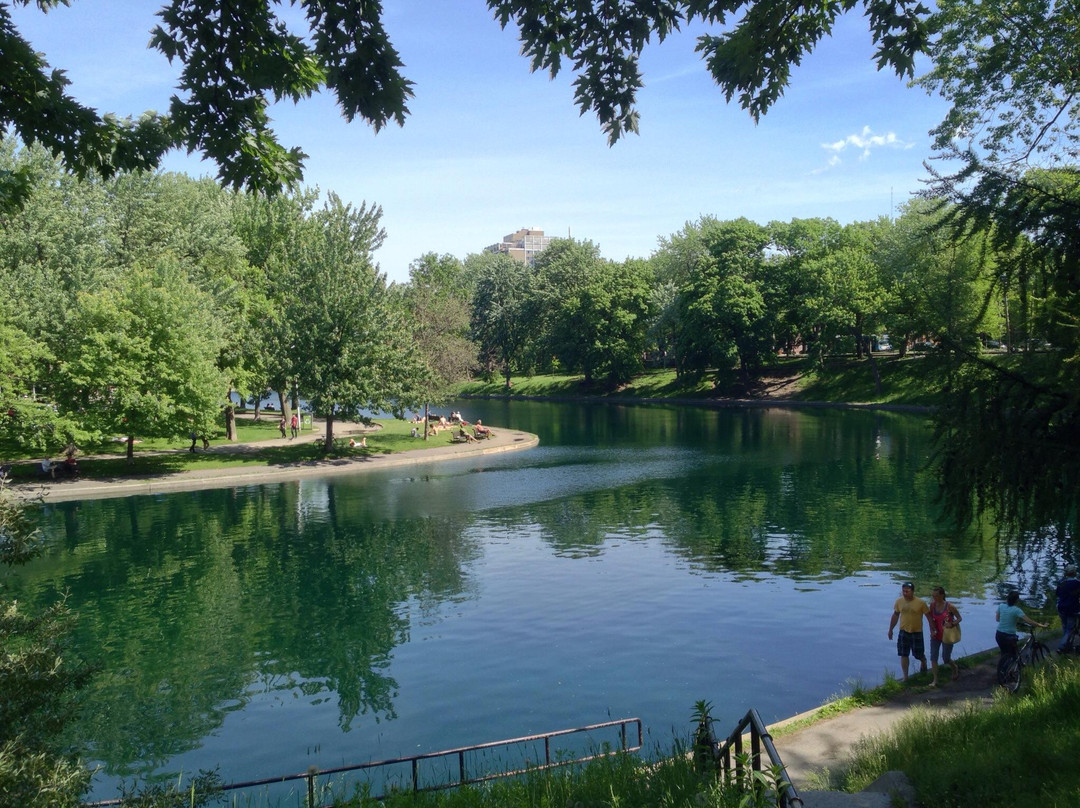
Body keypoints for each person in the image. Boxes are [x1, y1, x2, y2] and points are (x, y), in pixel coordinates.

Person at [887, 581, 931, 681]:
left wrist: (932, 630)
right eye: (903, 591)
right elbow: (895, 615)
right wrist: (890, 630)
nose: (905, 593)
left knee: (918, 654)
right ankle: (905, 677)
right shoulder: (899, 601)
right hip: (903, 631)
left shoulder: (921, 603)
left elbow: (928, 617)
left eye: (907, 591)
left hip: (916, 631)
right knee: (903, 654)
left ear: (912, 591)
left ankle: (923, 661)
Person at [995, 591, 1047, 660]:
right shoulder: (1017, 610)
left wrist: (1009, 620)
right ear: (1017, 601)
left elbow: (997, 619)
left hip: (999, 635)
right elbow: (1029, 621)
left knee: (1004, 653)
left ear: (1007, 598)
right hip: (1009, 636)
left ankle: (1003, 668)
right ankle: (1012, 669)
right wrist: (1042, 625)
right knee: (1014, 656)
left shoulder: (1001, 606)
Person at [927, 586, 962, 685]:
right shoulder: (932, 606)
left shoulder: (950, 606)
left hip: (947, 635)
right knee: (933, 657)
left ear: (942, 595)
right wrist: (932, 631)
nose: (934, 598)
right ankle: (935, 680)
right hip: (936, 636)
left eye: (937, 596)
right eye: (933, 596)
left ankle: (954, 667)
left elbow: (959, 618)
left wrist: (952, 624)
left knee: (946, 658)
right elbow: (931, 620)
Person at [1054, 565, 1080, 652]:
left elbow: (1057, 593)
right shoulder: (1077, 583)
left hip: (1061, 608)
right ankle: (1061, 647)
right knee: (1070, 628)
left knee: (1065, 628)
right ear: (1074, 573)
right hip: (1072, 609)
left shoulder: (1061, 582)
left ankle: (1067, 646)